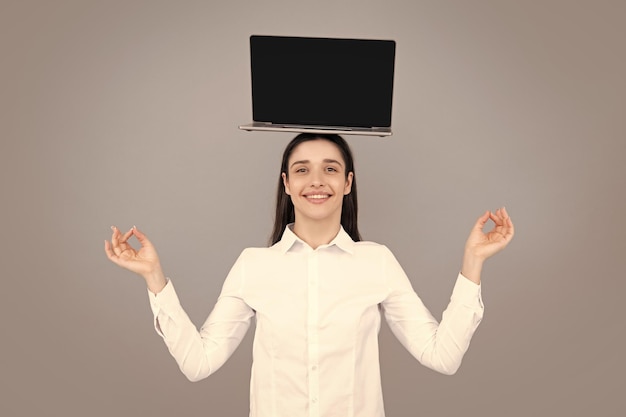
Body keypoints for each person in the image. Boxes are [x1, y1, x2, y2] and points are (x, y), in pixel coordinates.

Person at [104, 133, 514, 417]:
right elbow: (199, 363)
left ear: (348, 182)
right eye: (301, 170)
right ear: (286, 183)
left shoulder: (377, 262)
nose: (316, 180)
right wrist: (154, 278)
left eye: (330, 169)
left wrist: (473, 263)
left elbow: (443, 356)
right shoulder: (254, 266)